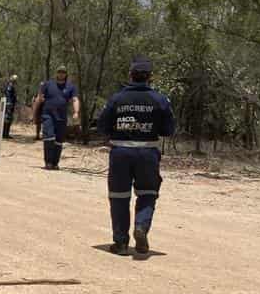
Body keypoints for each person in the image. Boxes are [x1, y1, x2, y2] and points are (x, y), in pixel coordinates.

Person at [97, 57, 176, 255]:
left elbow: (102, 127)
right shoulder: (160, 100)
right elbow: (168, 130)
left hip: (120, 153)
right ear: (150, 77)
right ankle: (141, 226)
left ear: (130, 75)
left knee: (119, 197)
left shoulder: (116, 99)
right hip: (148, 153)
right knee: (148, 194)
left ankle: (121, 243)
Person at [32, 66, 80, 170]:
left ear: (66, 74)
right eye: (59, 72)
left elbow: (75, 99)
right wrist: (34, 114)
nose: (61, 74)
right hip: (48, 115)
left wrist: (76, 112)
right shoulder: (47, 84)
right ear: (56, 73)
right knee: (49, 137)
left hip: (62, 118)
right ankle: (48, 162)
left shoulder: (71, 87)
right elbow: (39, 99)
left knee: (59, 140)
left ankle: (55, 163)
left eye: (63, 72)